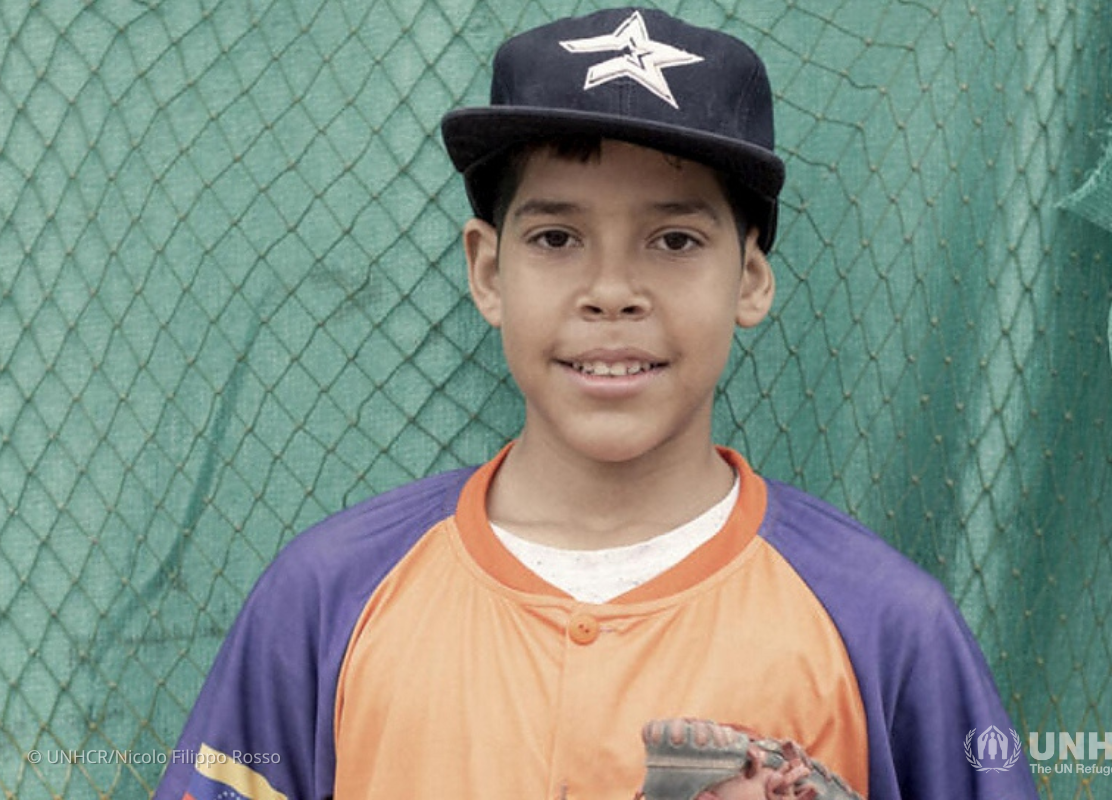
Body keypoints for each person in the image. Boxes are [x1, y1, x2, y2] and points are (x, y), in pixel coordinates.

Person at [154, 8, 1038, 800]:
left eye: (675, 239)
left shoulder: (885, 624)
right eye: (556, 237)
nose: (611, 291)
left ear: (752, 278)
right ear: (489, 271)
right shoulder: (326, 598)